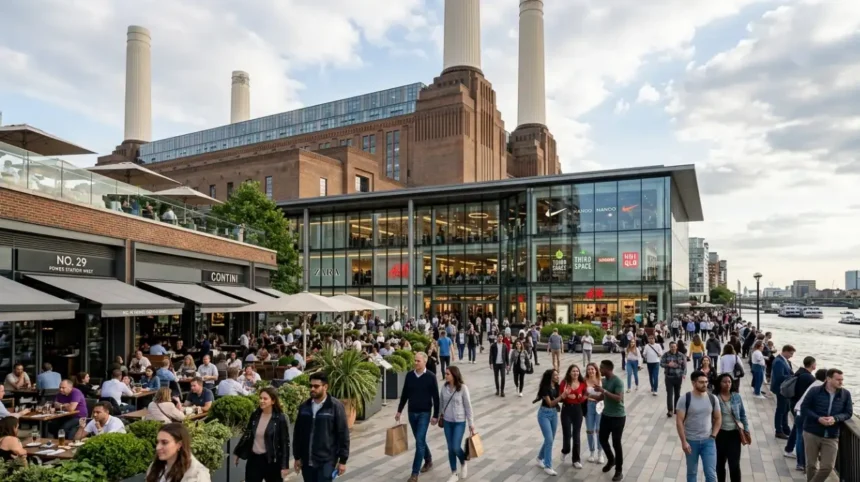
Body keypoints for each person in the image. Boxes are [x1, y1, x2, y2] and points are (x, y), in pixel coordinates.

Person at [293, 372, 349, 482]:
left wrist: (343, 460)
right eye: (311, 386)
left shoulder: (335, 406)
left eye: (316, 386)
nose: (312, 389)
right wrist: (297, 457)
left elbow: (343, 434)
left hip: (326, 461)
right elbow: (298, 433)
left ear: (325, 387)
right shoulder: (304, 407)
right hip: (307, 460)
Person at [801, 368, 853, 482]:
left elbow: (848, 412)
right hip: (811, 432)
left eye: (842, 379)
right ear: (828, 379)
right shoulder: (815, 391)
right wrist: (818, 418)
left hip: (832, 434)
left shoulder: (845, 394)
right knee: (811, 465)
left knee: (828, 466)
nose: (841, 382)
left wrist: (836, 418)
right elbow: (804, 408)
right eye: (838, 379)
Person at [396, 352, 440, 482]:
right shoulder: (410, 376)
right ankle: (428, 459)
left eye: (418, 361)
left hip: (424, 413)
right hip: (412, 412)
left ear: (424, 362)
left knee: (419, 441)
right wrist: (399, 410)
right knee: (420, 440)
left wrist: (435, 415)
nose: (415, 363)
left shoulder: (431, 377)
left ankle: (414, 474)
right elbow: (405, 394)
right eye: (415, 360)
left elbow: (436, 397)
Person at [234, 387, 291, 482]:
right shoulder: (255, 415)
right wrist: (237, 452)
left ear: (273, 401)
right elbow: (247, 434)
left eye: (265, 399)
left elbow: (285, 443)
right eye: (260, 398)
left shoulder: (280, 418)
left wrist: (285, 466)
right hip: (254, 460)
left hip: (272, 461)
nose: (261, 401)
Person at [676, 370, 720, 482]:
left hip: (708, 441)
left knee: (711, 475)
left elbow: (718, 418)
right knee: (692, 473)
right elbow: (679, 421)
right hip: (691, 442)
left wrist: (713, 436)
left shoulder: (713, 398)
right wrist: (683, 442)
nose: (705, 384)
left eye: (706, 382)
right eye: (701, 382)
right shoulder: (685, 399)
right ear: (693, 383)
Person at [592, 360, 626, 481]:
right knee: (602, 439)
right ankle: (611, 459)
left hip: (618, 417)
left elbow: (618, 398)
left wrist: (604, 391)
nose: (599, 370)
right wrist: (588, 395)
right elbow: (602, 397)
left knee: (616, 443)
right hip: (606, 415)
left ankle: (619, 470)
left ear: (607, 369)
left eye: (601, 368)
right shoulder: (604, 381)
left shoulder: (618, 381)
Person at [439, 366, 474, 482]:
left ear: (454, 375)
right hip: (448, 421)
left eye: (448, 374)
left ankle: (463, 461)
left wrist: (471, 423)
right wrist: (437, 416)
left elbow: (468, 406)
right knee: (450, 448)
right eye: (445, 373)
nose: (446, 375)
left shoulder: (463, 388)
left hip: (459, 421)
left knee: (455, 446)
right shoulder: (444, 388)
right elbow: (441, 403)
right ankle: (454, 472)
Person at [145, 423, 211, 482]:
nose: (158, 447)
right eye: (157, 442)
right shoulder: (154, 467)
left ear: (179, 444)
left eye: (164, 442)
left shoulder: (197, 475)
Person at [714, 373, 748, 482]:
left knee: (734, 465)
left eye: (729, 382)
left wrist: (746, 429)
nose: (727, 384)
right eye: (724, 382)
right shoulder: (714, 398)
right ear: (719, 383)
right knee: (719, 464)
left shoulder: (736, 396)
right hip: (719, 434)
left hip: (734, 434)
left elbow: (742, 414)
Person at [534, 368, 568, 476]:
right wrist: (562, 396)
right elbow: (550, 403)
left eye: (558, 375)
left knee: (550, 439)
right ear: (551, 377)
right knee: (549, 439)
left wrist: (566, 395)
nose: (558, 377)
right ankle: (548, 466)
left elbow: (559, 399)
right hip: (544, 414)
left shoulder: (557, 386)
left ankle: (540, 458)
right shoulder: (545, 388)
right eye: (556, 375)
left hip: (554, 414)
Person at [785, 357, 816, 470]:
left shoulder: (800, 372)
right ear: (812, 365)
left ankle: (788, 448)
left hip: (793, 403)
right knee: (800, 434)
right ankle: (800, 463)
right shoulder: (809, 377)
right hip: (800, 407)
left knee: (796, 427)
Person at [559, 364, 587, 469]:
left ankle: (576, 459)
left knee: (576, 435)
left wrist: (581, 398)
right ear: (569, 373)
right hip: (566, 409)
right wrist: (566, 395)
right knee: (567, 434)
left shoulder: (582, 383)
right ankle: (565, 450)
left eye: (577, 371)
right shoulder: (564, 383)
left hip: (577, 410)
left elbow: (585, 396)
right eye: (573, 371)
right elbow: (560, 397)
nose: (575, 373)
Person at [770, 345, 795, 440]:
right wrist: (793, 377)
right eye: (791, 353)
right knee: (780, 410)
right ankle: (778, 431)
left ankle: (785, 428)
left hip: (785, 389)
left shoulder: (784, 360)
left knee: (786, 409)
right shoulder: (779, 362)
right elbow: (780, 376)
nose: (791, 356)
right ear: (785, 351)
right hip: (781, 389)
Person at [583, 363, 605, 464]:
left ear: (596, 370)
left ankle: (600, 453)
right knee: (590, 430)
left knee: (599, 430)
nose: (591, 371)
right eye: (589, 370)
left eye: (592, 369)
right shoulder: (584, 381)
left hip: (600, 405)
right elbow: (583, 394)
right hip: (589, 406)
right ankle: (592, 452)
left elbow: (605, 393)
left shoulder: (601, 380)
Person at [661, 341, 687, 418]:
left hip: (678, 377)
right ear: (669, 347)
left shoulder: (681, 355)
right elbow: (661, 364)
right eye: (671, 347)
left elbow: (684, 366)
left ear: (676, 347)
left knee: (677, 394)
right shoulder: (666, 355)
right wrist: (668, 365)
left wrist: (684, 374)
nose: (673, 348)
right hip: (669, 377)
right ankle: (670, 410)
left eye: (674, 346)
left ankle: (677, 409)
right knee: (669, 394)